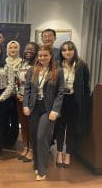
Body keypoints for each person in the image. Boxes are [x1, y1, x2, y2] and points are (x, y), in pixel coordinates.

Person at [23, 45, 64, 181]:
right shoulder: (32, 70)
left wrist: (55, 110)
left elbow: (60, 92)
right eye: (40, 55)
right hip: (34, 107)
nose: (42, 58)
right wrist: (25, 105)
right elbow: (27, 89)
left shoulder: (58, 71)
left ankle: (42, 169)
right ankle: (37, 164)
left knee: (42, 137)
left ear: (51, 56)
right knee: (34, 137)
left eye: (45, 55)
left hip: (48, 109)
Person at [55, 41, 90, 168]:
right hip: (60, 100)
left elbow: (86, 86)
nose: (67, 52)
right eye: (64, 50)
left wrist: (85, 103)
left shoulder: (82, 65)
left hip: (74, 101)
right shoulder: (57, 65)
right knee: (59, 127)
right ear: (61, 52)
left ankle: (68, 153)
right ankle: (59, 152)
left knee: (71, 128)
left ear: (74, 51)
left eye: (70, 49)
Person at [16, 42, 39, 162]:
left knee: (32, 125)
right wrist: (17, 93)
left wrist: (26, 95)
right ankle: (25, 147)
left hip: (32, 100)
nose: (29, 51)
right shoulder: (21, 63)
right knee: (24, 125)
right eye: (27, 49)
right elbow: (16, 80)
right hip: (20, 98)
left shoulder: (38, 64)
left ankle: (32, 150)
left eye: (32, 49)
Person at [4, 41, 21, 148]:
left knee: (15, 119)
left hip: (17, 95)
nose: (13, 50)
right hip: (4, 94)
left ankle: (12, 141)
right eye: (10, 48)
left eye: (15, 48)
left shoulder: (22, 62)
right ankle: (4, 138)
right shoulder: (3, 61)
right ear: (7, 49)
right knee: (4, 118)